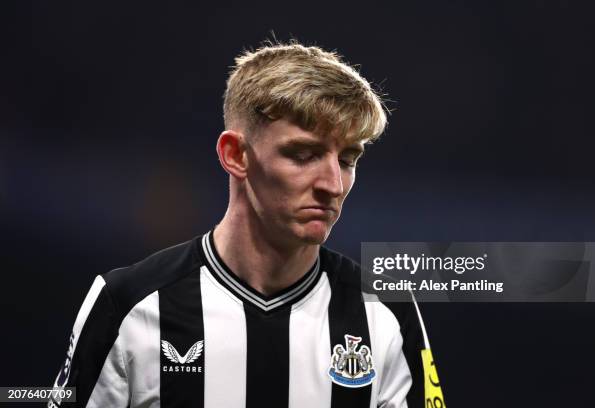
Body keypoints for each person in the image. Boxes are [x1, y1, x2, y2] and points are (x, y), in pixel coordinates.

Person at [49, 41, 434, 408]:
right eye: (303, 154)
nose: (333, 185)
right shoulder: (128, 304)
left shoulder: (387, 313)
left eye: (348, 160)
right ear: (236, 155)